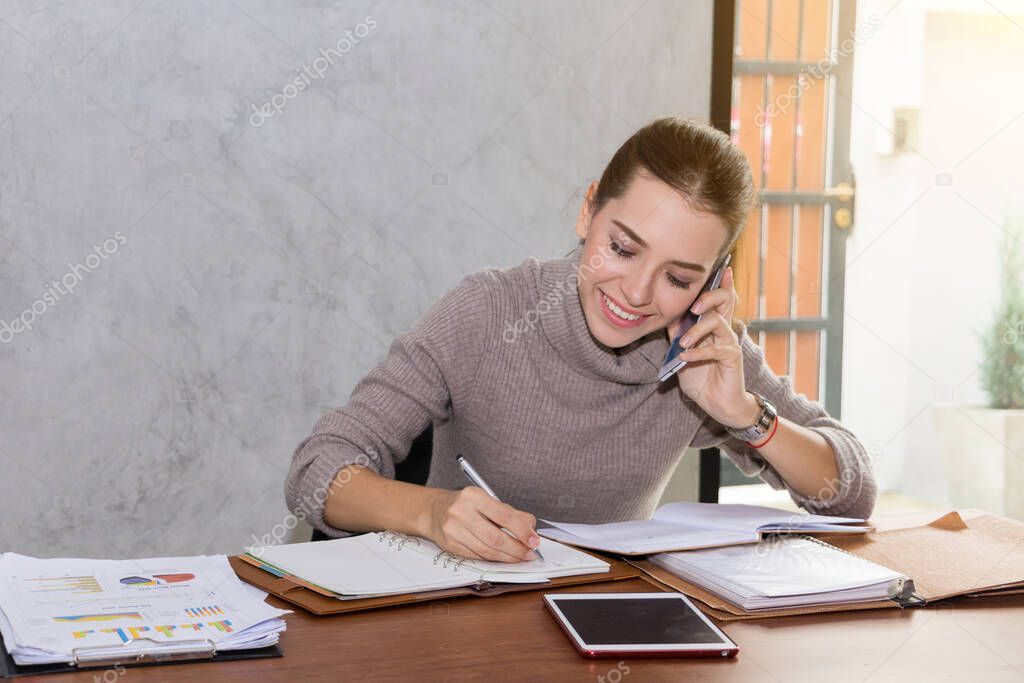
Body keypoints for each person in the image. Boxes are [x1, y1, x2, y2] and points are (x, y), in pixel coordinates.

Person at [285, 116, 876, 563]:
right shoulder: (489, 311)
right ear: (588, 210)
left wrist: (745, 413)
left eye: (678, 277)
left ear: (713, 283)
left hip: (601, 634)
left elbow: (851, 495)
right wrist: (432, 512)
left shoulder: (701, 356)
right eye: (621, 248)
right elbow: (318, 469)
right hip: (456, 627)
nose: (638, 293)